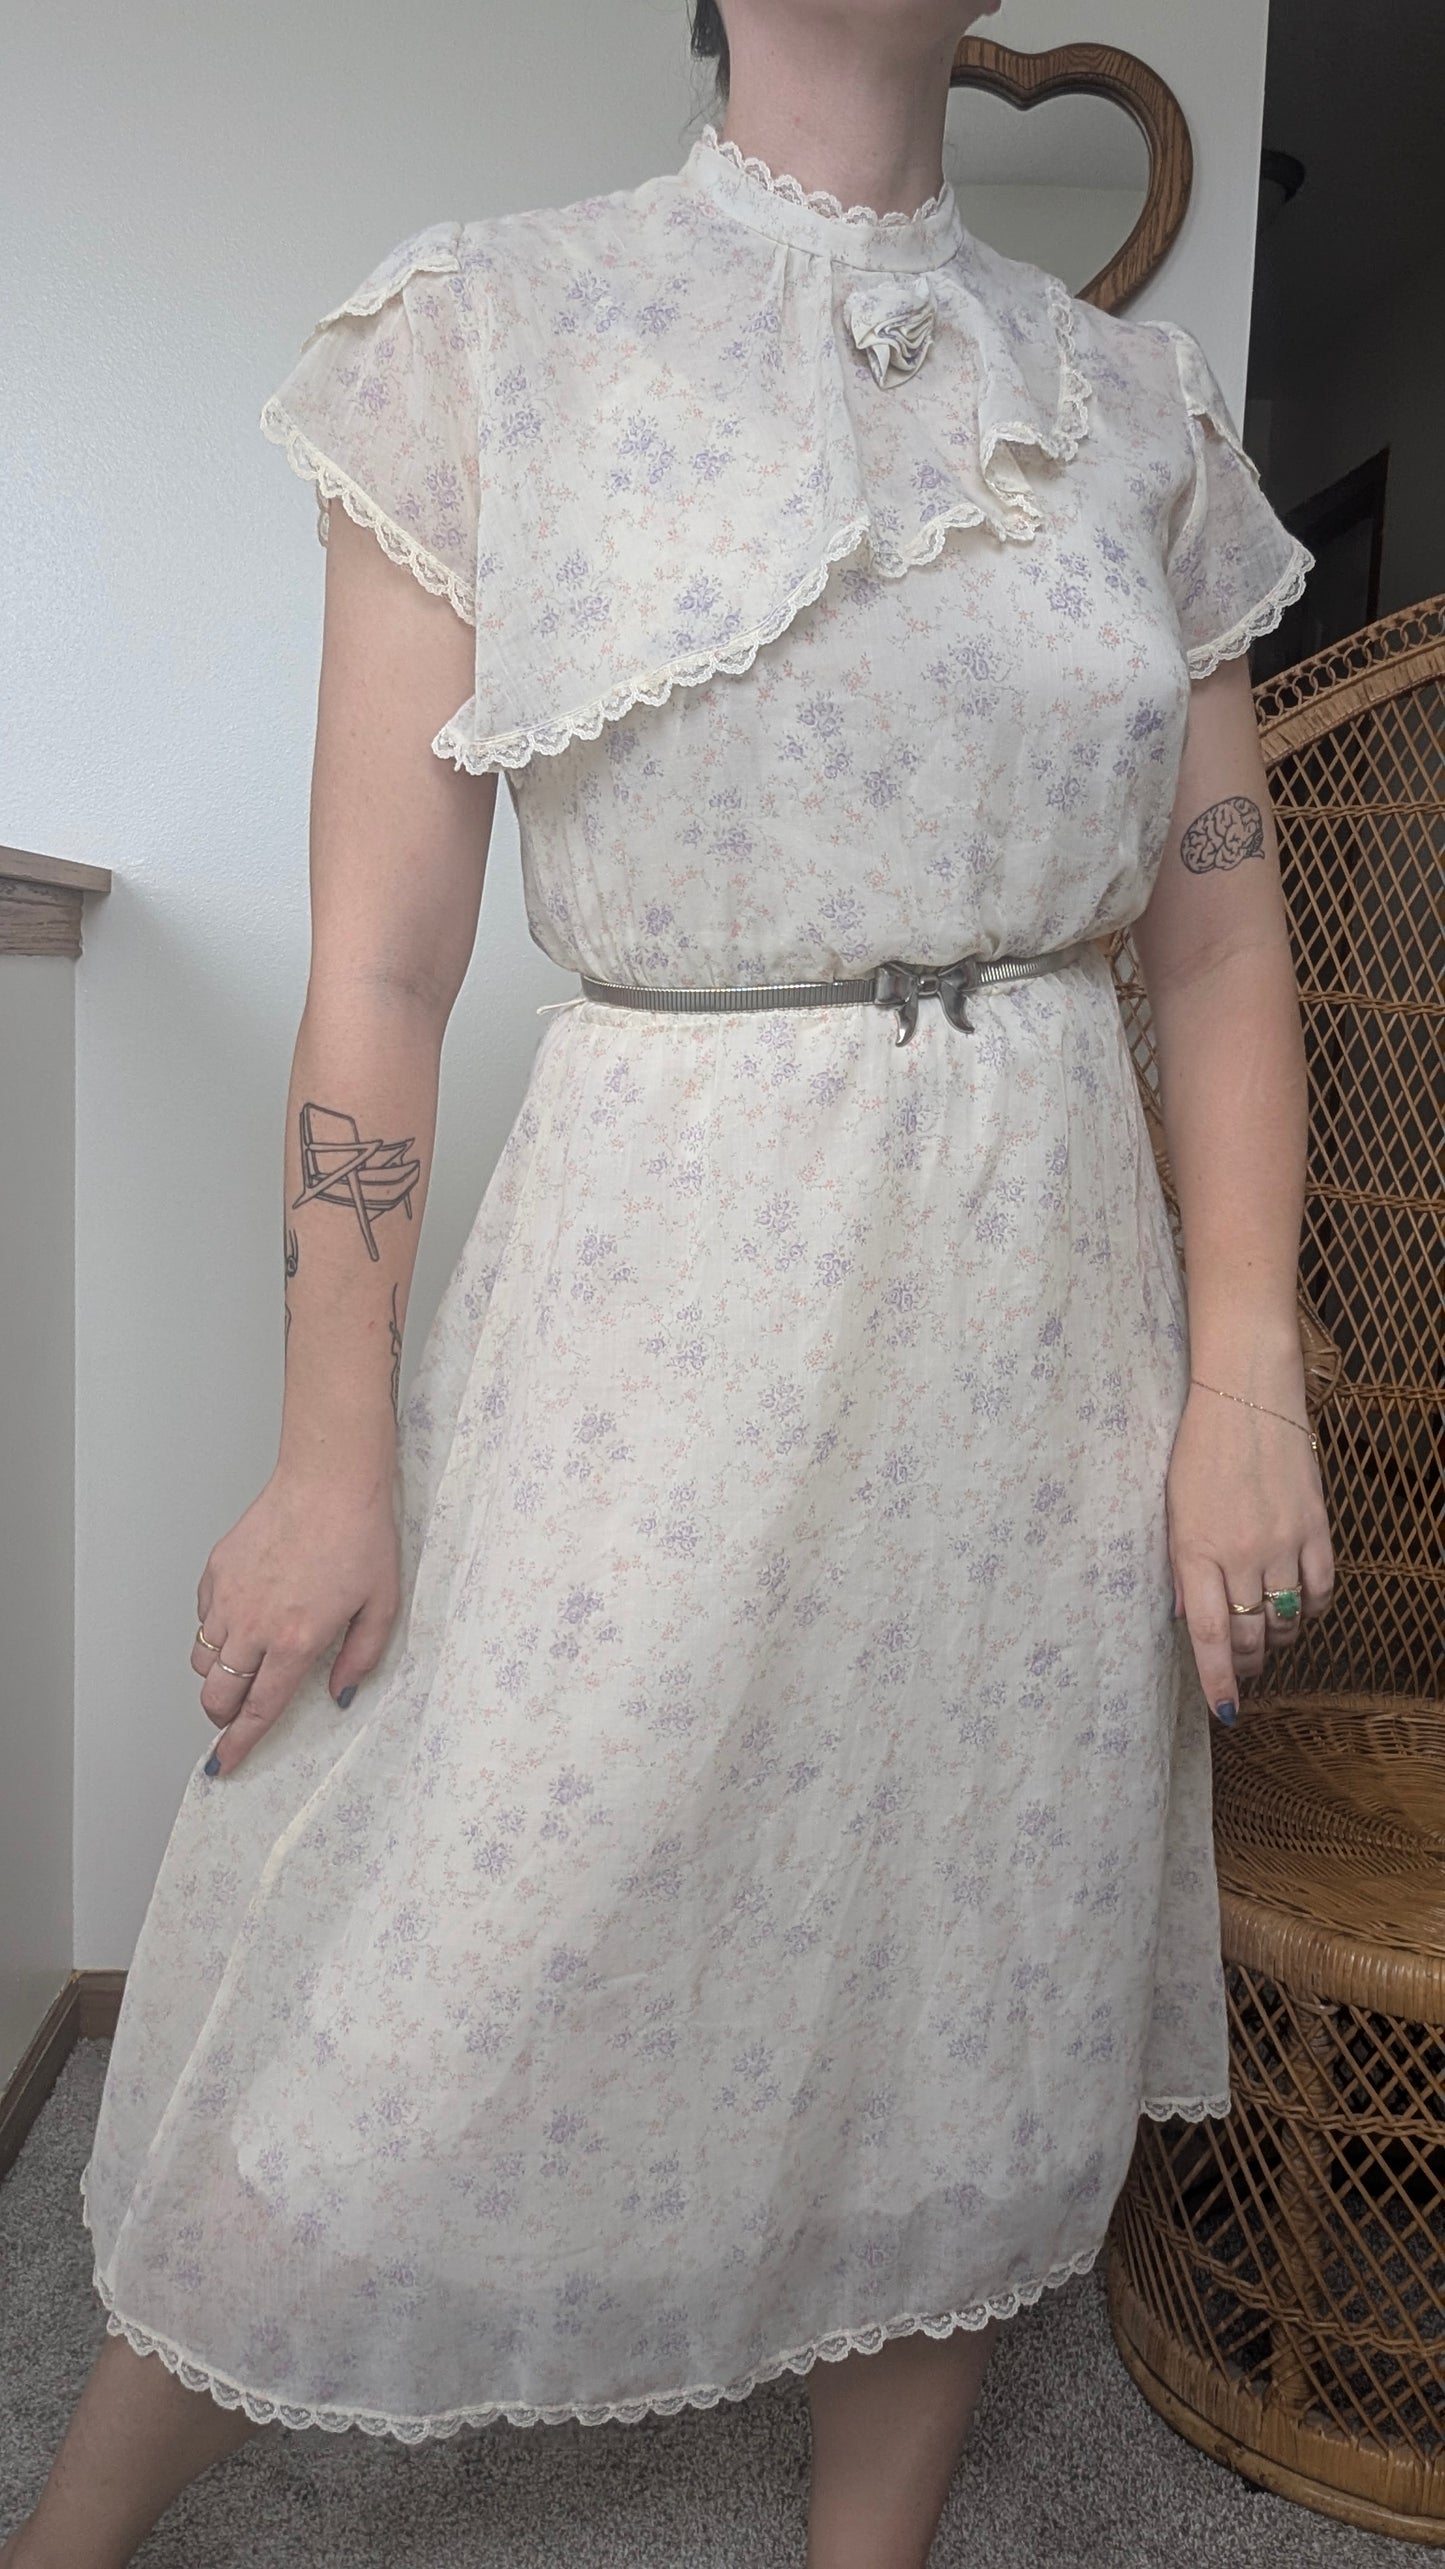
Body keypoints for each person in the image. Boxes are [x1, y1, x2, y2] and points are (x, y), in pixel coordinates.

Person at [3, 2, 1335, 2563]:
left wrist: (1245, 1372)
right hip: (667, 1288)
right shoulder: (487, 333)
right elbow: (383, 966)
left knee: (976, 1946)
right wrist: (328, 1454)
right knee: (453, 1917)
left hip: (1050, 1306)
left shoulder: (1129, 411)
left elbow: (1217, 937)